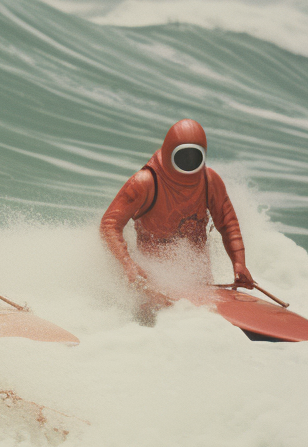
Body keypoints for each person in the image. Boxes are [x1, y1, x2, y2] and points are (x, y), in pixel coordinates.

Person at [100, 119, 252, 307]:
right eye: (183, 156)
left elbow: (228, 225)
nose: (188, 162)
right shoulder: (146, 182)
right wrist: (127, 263)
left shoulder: (210, 181)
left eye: (194, 157)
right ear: (169, 151)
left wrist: (239, 264)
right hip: (154, 285)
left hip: (199, 285)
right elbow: (110, 224)